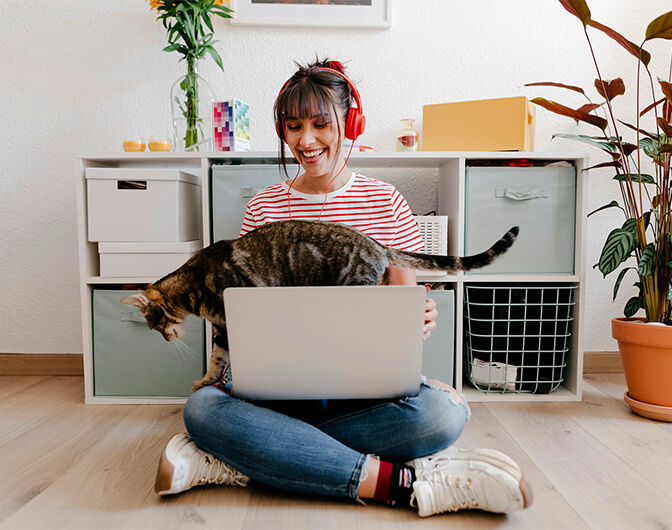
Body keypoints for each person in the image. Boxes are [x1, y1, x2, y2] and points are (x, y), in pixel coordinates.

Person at [153, 59, 532, 517]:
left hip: (362, 393)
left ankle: (250, 459)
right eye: (293, 127)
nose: (305, 140)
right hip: (279, 393)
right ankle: (402, 483)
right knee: (202, 410)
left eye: (319, 124)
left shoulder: (385, 199)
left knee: (444, 413)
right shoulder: (262, 207)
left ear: (349, 123)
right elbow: (244, 316)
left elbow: (408, 304)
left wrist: (417, 318)